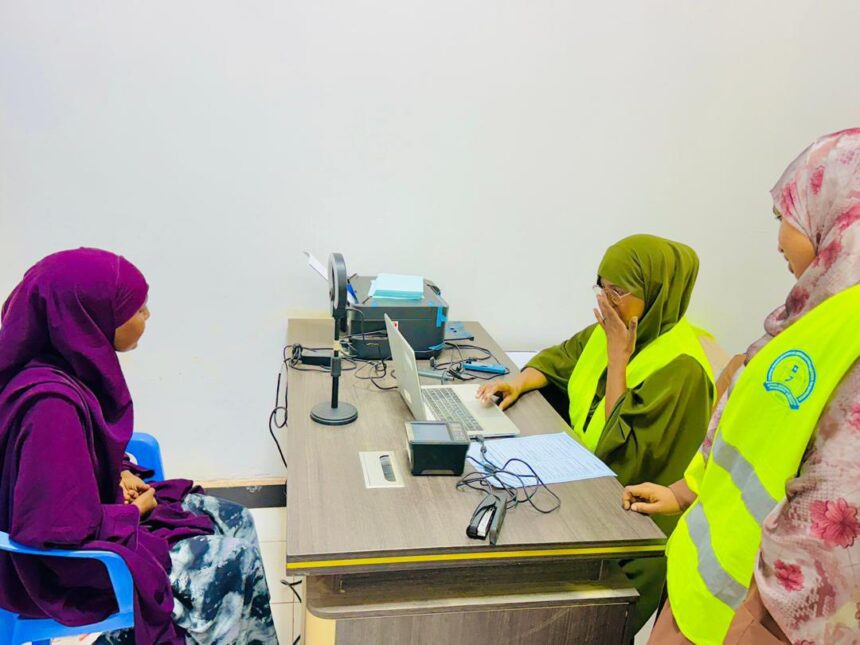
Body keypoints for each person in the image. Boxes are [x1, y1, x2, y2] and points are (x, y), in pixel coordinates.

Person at [624, 128, 860, 644]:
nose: (779, 241)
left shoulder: (848, 333)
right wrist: (685, 491)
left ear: (840, 216)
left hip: (749, 620)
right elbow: (747, 429)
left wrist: (755, 623)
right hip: (699, 586)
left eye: (785, 219)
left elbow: (833, 525)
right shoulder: (810, 317)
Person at [0, 249, 278, 644]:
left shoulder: (68, 367)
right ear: (89, 317)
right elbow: (53, 529)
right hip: (64, 570)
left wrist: (119, 472)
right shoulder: (51, 406)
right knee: (231, 563)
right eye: (135, 308)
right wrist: (133, 511)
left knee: (237, 518)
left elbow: (66, 467)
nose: (146, 315)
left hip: (92, 519)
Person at [477, 234, 716, 632]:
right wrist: (518, 382)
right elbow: (560, 358)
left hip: (629, 536)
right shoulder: (611, 330)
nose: (605, 302)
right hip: (584, 490)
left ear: (657, 293)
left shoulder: (684, 370)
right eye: (601, 287)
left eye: (618, 291)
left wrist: (618, 357)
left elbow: (624, 451)